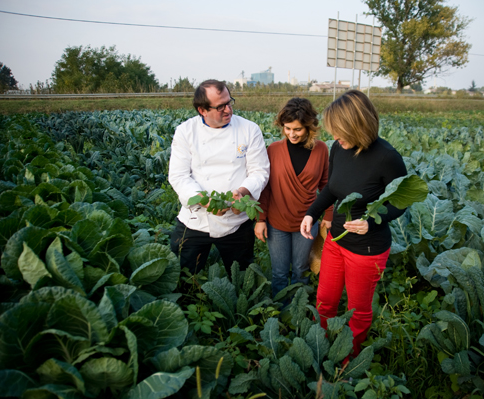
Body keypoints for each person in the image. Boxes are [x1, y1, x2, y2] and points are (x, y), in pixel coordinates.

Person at [300, 90, 408, 358]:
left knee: (358, 311)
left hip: (367, 249)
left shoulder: (387, 157)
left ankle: (348, 359)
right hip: (336, 242)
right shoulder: (339, 148)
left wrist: (371, 222)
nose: (335, 138)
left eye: (340, 131)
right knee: (325, 302)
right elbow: (332, 190)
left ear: (359, 126)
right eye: (333, 132)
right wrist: (311, 213)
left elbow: (401, 201)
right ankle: (320, 348)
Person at [169, 79, 270, 275]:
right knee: (182, 276)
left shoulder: (249, 129)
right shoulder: (186, 132)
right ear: (202, 110)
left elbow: (260, 171)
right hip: (195, 218)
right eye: (220, 106)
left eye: (229, 102)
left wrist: (242, 191)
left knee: (242, 279)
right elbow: (179, 176)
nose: (228, 110)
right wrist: (205, 201)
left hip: (236, 220)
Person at [254, 98, 333, 298]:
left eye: (297, 129)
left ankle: (298, 311)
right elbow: (266, 189)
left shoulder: (321, 149)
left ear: (309, 127)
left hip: (307, 221)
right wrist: (260, 220)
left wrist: (329, 214)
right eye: (287, 128)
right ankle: (281, 313)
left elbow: (326, 185)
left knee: (301, 269)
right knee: (279, 272)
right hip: (277, 222)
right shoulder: (273, 150)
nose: (291, 134)